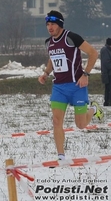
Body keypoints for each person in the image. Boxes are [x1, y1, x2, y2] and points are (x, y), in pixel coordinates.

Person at [38, 10, 104, 161]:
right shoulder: (48, 42)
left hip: (76, 86)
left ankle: (93, 109)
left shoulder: (71, 37)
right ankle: (61, 156)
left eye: (53, 24)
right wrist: (46, 73)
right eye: (48, 24)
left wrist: (85, 74)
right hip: (59, 88)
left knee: (80, 124)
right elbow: (52, 58)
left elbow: (93, 53)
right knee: (56, 120)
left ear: (59, 24)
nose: (50, 27)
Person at [100, 38, 111, 106]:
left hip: (108, 73)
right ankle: (107, 102)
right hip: (107, 74)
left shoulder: (108, 50)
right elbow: (106, 63)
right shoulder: (105, 50)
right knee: (108, 89)